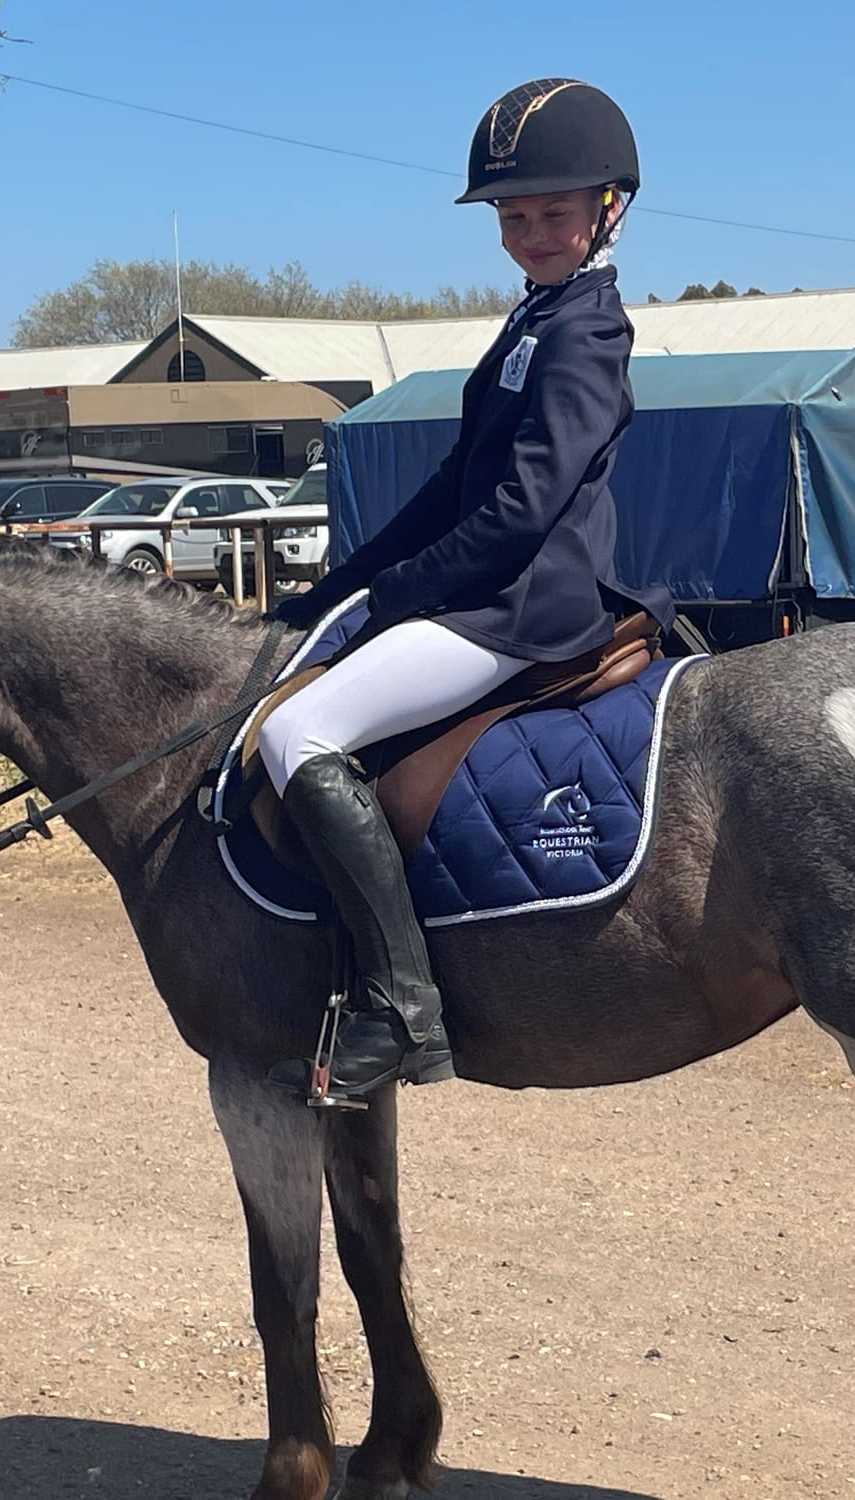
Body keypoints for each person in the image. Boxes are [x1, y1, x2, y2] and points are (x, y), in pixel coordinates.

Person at [258, 78, 673, 1099]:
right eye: (513, 215)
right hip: (492, 588)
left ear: (605, 209)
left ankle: (401, 1007)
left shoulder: (588, 329)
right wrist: (339, 583)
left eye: (552, 212)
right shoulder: (537, 316)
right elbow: (454, 483)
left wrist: (402, 592)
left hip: (523, 605)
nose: (531, 230)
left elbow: (524, 508)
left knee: (291, 736)